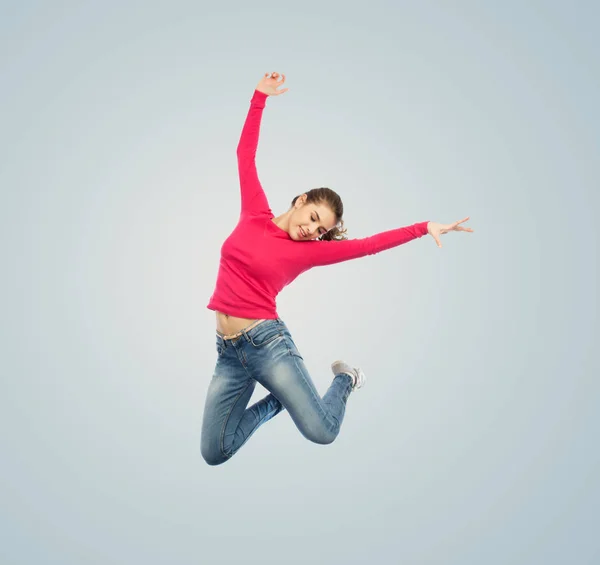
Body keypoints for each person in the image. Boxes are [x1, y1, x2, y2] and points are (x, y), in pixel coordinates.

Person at [201, 71, 473, 466]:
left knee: (322, 432)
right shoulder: (254, 213)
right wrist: (259, 97)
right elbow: (245, 155)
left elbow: (368, 246)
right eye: (312, 216)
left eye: (320, 229)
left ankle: (346, 379)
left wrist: (423, 227)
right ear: (301, 199)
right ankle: (280, 400)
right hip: (227, 352)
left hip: (266, 345)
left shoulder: (309, 252)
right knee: (215, 452)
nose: (311, 229)